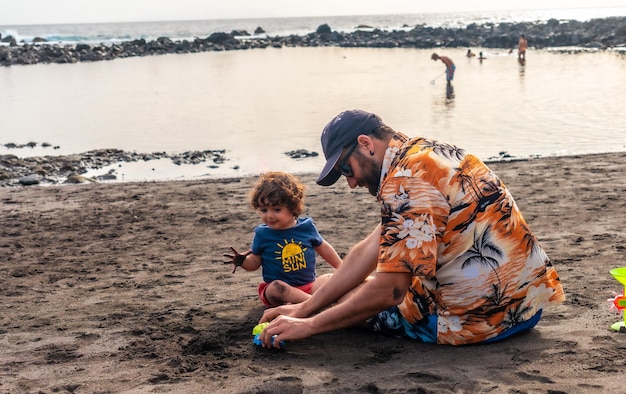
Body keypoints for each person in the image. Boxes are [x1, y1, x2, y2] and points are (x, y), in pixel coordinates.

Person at [258, 109, 565, 347]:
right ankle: (305, 303)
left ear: (365, 144)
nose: (350, 183)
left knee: (334, 289)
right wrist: (306, 307)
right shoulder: (427, 154)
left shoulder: (406, 182)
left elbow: (390, 292)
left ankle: (305, 306)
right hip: (524, 307)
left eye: (345, 169)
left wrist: (309, 323)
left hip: (478, 321)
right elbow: (370, 247)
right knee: (329, 285)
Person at [224, 171, 342, 307]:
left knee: (327, 278)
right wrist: (243, 261)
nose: (269, 216)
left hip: (308, 286)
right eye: (263, 210)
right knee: (277, 286)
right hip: (278, 292)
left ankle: (304, 303)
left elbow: (324, 248)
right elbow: (255, 262)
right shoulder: (262, 234)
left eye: (277, 209)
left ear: (292, 207)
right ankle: (313, 304)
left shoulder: (306, 228)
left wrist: (341, 267)